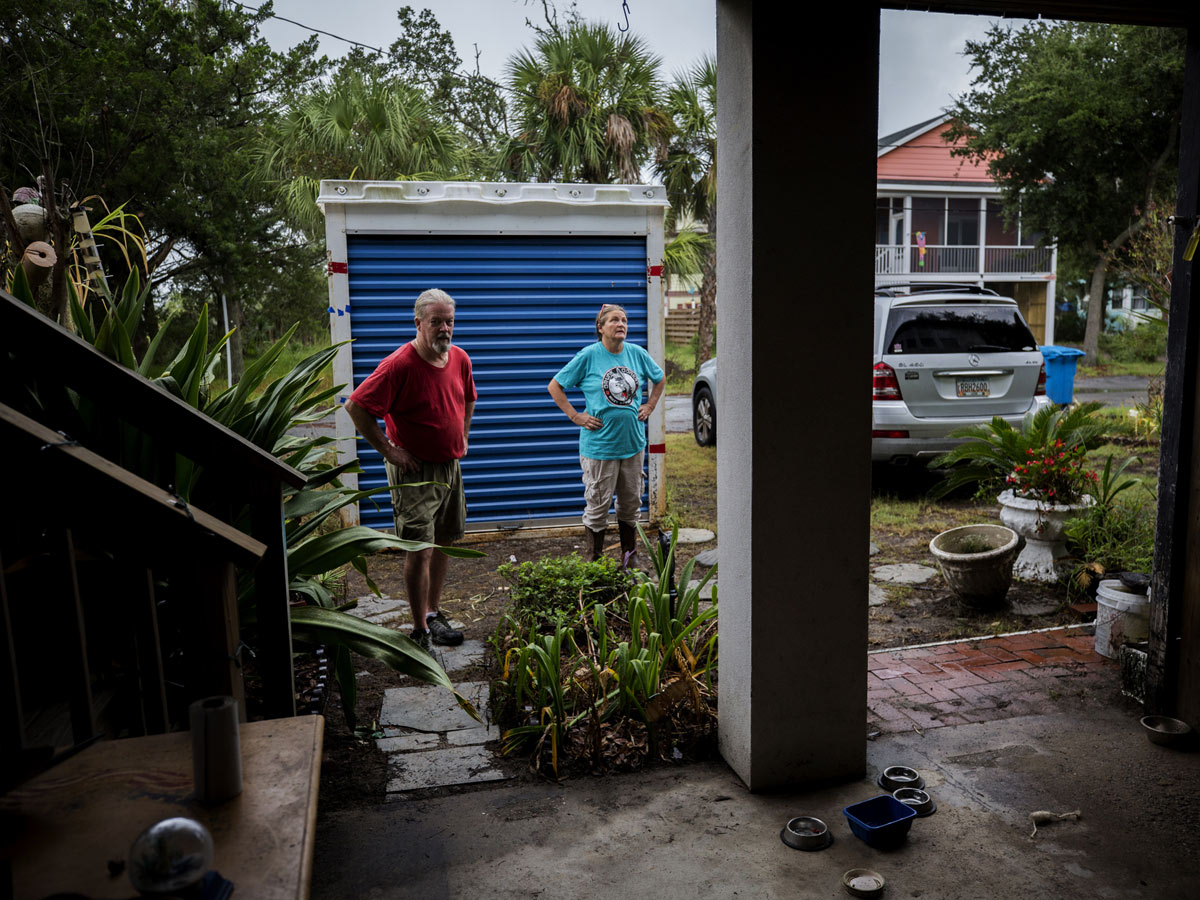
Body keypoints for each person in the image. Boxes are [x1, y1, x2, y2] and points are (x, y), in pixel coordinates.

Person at [344, 289, 476, 651]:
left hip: (450, 467)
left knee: (444, 540)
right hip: (415, 472)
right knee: (420, 548)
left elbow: (467, 399)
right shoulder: (399, 364)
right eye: (436, 322)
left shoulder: (459, 358)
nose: (444, 329)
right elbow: (356, 406)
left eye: (449, 321)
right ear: (418, 323)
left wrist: (462, 437)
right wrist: (389, 451)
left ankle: (433, 613)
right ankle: (418, 630)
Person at [548, 304, 665, 567]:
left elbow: (659, 378)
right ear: (600, 327)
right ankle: (594, 560)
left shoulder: (637, 353)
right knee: (598, 506)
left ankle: (629, 558)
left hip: (633, 444)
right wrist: (575, 416)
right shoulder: (589, 356)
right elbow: (555, 385)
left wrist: (650, 405)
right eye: (614, 320)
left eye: (624, 320)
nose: (621, 324)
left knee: (631, 503)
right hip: (600, 447)